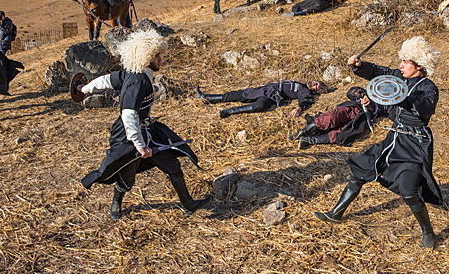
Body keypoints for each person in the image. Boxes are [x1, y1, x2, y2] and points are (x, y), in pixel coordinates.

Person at [313, 36, 441, 250]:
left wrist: (398, 96)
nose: (400, 65)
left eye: (406, 62)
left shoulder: (429, 88)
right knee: (361, 171)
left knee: (409, 191)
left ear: (419, 65)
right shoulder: (399, 77)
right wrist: (360, 66)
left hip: (414, 145)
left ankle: (428, 232)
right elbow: (378, 72)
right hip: (394, 139)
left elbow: (423, 108)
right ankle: (336, 213)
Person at [80, 30, 211, 221]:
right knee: (127, 176)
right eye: (157, 55)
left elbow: (106, 80)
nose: (160, 59)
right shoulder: (138, 81)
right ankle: (116, 202)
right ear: (146, 56)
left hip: (147, 130)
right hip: (127, 135)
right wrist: (140, 145)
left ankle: (188, 204)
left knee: (172, 164)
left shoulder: (137, 73)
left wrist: (84, 88)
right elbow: (128, 114)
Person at [289, 86, 384, 149]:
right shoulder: (370, 90)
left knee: (341, 134)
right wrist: (363, 95)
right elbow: (350, 93)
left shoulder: (386, 104)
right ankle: (302, 132)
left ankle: (309, 141)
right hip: (352, 108)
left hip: (361, 119)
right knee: (331, 117)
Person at [196, 80, 325, 118]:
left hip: (274, 96)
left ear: (317, 91)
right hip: (267, 88)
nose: (313, 83)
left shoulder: (305, 91)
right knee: (240, 94)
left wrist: (299, 108)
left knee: (260, 105)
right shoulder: (301, 84)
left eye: (316, 85)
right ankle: (206, 98)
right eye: (315, 82)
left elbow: (305, 100)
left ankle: (229, 111)